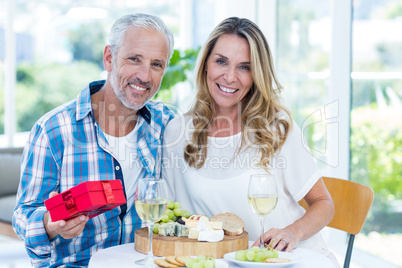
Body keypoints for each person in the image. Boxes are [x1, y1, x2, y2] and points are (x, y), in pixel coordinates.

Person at [162, 17, 338, 265]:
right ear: (205, 65)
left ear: (257, 74)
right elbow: (174, 218)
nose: (230, 77)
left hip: (287, 260)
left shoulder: (276, 128)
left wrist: (292, 232)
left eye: (244, 67)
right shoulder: (177, 132)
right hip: (225, 263)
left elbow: (324, 204)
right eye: (221, 61)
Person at [12, 13, 175, 267]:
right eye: (134, 59)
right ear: (109, 58)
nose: (144, 76)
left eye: (157, 64)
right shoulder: (53, 130)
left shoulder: (166, 124)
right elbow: (22, 217)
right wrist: (50, 224)